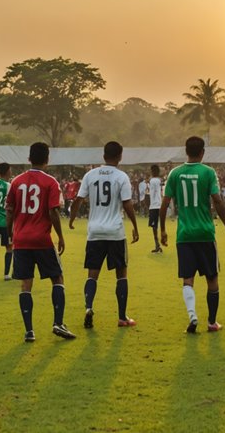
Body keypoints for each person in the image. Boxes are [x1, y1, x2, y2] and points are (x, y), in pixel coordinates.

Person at [159, 136, 225, 333]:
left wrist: (162, 230)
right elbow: (218, 202)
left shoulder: (175, 173)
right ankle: (211, 322)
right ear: (202, 152)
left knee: (188, 279)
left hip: (184, 235)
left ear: (186, 151)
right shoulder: (208, 172)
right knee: (212, 278)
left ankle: (193, 315)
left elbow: (165, 203)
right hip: (205, 233)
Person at [7, 142, 74, 342]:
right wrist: (60, 236)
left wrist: (10, 233)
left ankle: (29, 331)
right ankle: (58, 323)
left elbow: (9, 210)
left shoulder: (16, 182)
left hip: (21, 240)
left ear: (29, 159)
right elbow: (53, 211)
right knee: (57, 278)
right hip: (42, 240)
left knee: (26, 284)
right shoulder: (50, 182)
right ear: (47, 159)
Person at [69, 141, 140, 330]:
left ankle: (88, 307)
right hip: (115, 232)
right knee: (121, 274)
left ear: (103, 156)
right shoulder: (121, 176)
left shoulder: (90, 175)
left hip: (95, 231)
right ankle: (122, 317)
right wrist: (134, 225)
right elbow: (127, 203)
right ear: (120, 156)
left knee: (92, 274)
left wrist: (71, 219)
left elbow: (78, 200)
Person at [148, 164, 163, 253]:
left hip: (154, 206)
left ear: (153, 171)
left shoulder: (153, 180)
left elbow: (153, 194)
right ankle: (158, 245)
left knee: (154, 227)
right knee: (157, 226)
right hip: (159, 205)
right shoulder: (158, 180)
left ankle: (157, 245)